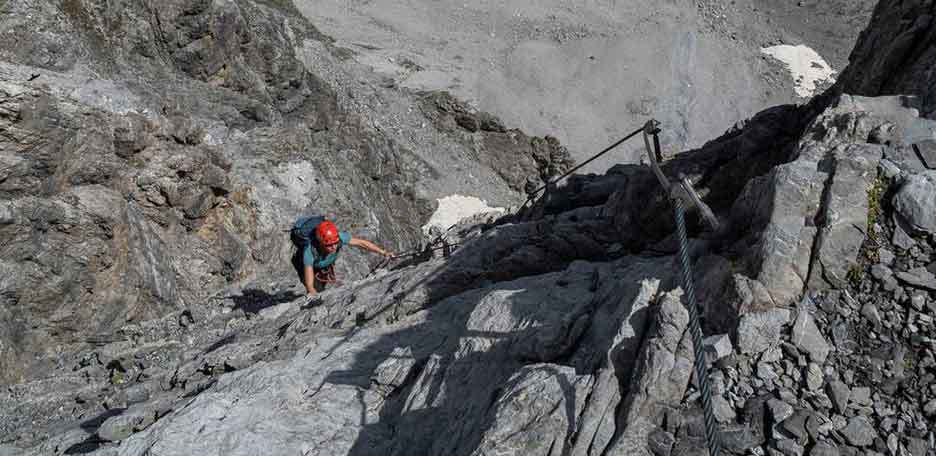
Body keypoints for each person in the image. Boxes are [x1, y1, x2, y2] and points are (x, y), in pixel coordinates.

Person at [290, 216, 392, 302]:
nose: (334, 247)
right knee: (319, 290)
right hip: (308, 266)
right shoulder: (309, 252)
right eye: (329, 245)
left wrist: (383, 252)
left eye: (335, 243)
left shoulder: (338, 237)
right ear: (321, 243)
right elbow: (309, 285)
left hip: (323, 263)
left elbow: (362, 243)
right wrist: (313, 294)